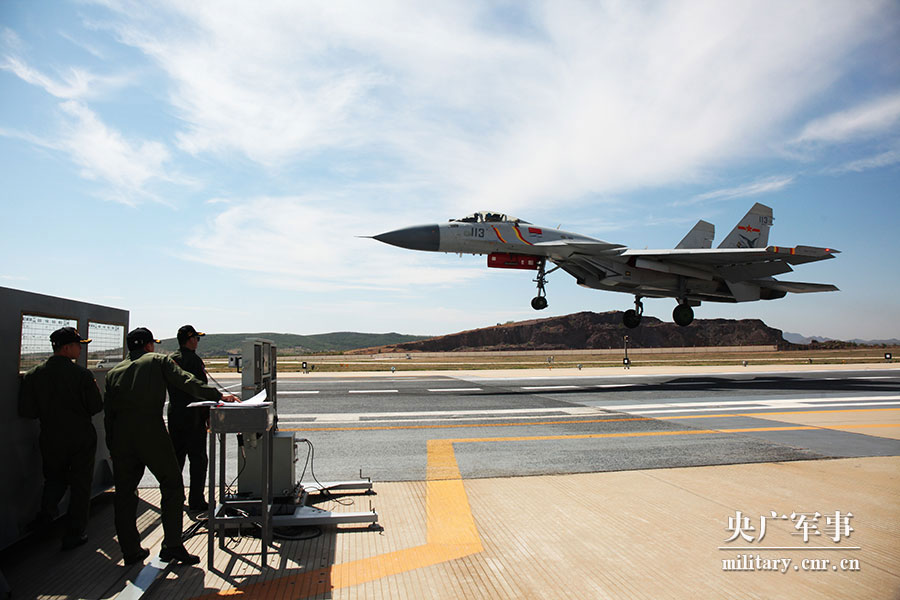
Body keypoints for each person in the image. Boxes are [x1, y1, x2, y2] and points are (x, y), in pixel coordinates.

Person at [104, 327, 239, 565]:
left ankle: (130, 550)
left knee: (124, 494)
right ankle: (172, 545)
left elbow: (109, 415)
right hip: (150, 432)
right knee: (172, 485)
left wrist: (111, 446)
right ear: (148, 345)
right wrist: (218, 395)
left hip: (121, 438)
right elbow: (187, 381)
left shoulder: (113, 372)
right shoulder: (158, 361)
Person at [18, 327, 102, 550]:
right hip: (80, 437)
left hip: (51, 436)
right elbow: (95, 406)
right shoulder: (82, 375)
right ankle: (74, 533)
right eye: (78, 345)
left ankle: (46, 518)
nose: (80, 349)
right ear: (66, 348)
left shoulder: (33, 375)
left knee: (54, 479)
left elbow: (27, 411)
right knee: (81, 484)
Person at [167, 325, 212, 511]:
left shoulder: (171, 359)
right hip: (193, 416)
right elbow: (200, 389)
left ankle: (174, 498)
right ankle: (196, 499)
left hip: (175, 414)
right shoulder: (193, 360)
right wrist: (208, 414)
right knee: (198, 459)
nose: (197, 342)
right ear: (191, 339)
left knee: (176, 459)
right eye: (196, 338)